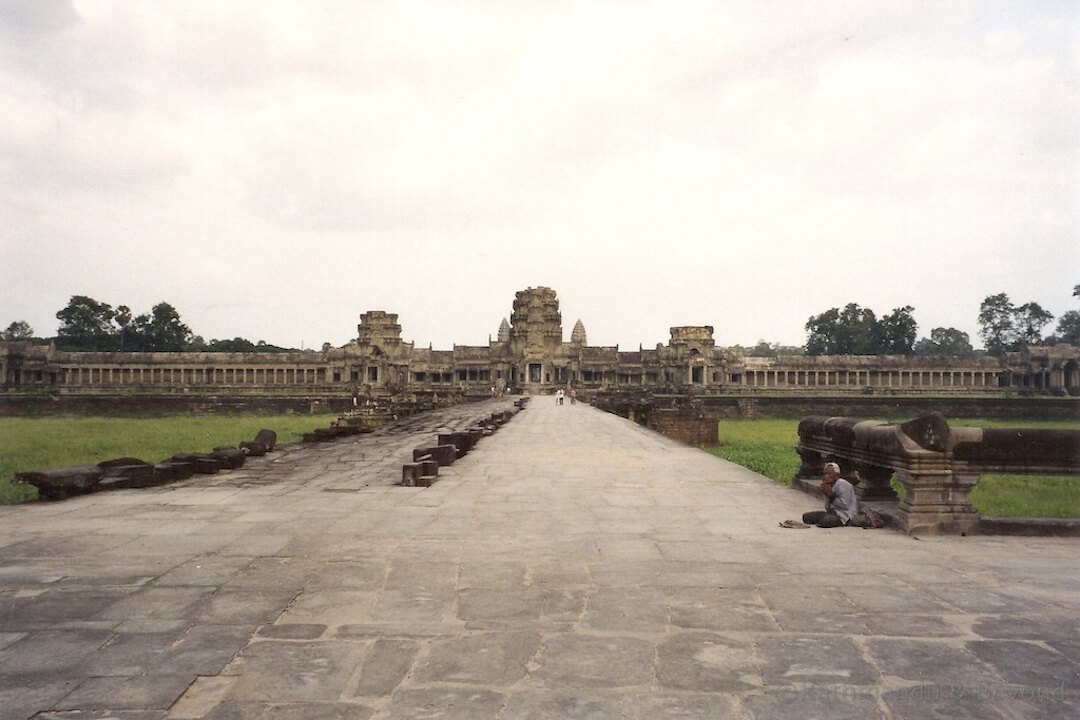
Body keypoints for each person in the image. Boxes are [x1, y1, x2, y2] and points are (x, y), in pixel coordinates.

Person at [802, 462, 865, 528]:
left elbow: (844, 505)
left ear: (836, 475)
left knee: (825, 521)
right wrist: (826, 493)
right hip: (833, 513)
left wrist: (831, 495)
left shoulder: (843, 485)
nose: (826, 476)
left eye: (829, 474)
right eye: (825, 474)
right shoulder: (829, 485)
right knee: (806, 517)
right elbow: (827, 507)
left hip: (845, 516)